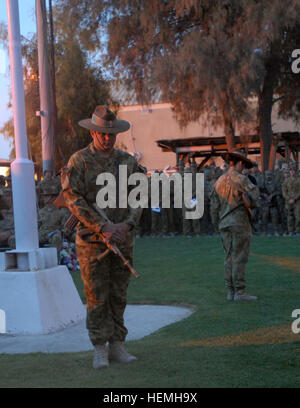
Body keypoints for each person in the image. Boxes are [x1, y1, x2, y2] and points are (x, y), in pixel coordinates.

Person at [61, 105, 145, 369]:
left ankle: (117, 344)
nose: (107, 138)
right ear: (93, 132)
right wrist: (102, 226)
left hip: (122, 238)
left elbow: (139, 196)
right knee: (96, 295)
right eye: (101, 134)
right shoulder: (79, 161)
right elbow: (73, 199)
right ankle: (99, 347)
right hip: (91, 242)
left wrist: (127, 225)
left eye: (110, 134)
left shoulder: (127, 162)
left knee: (119, 295)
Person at [210, 150, 260, 301]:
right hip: (239, 223)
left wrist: (217, 223)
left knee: (228, 257)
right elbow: (255, 198)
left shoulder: (218, 181)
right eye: (244, 165)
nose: (244, 168)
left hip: (224, 224)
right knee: (239, 257)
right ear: (239, 163)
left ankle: (230, 292)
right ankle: (240, 292)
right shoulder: (242, 179)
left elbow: (213, 207)